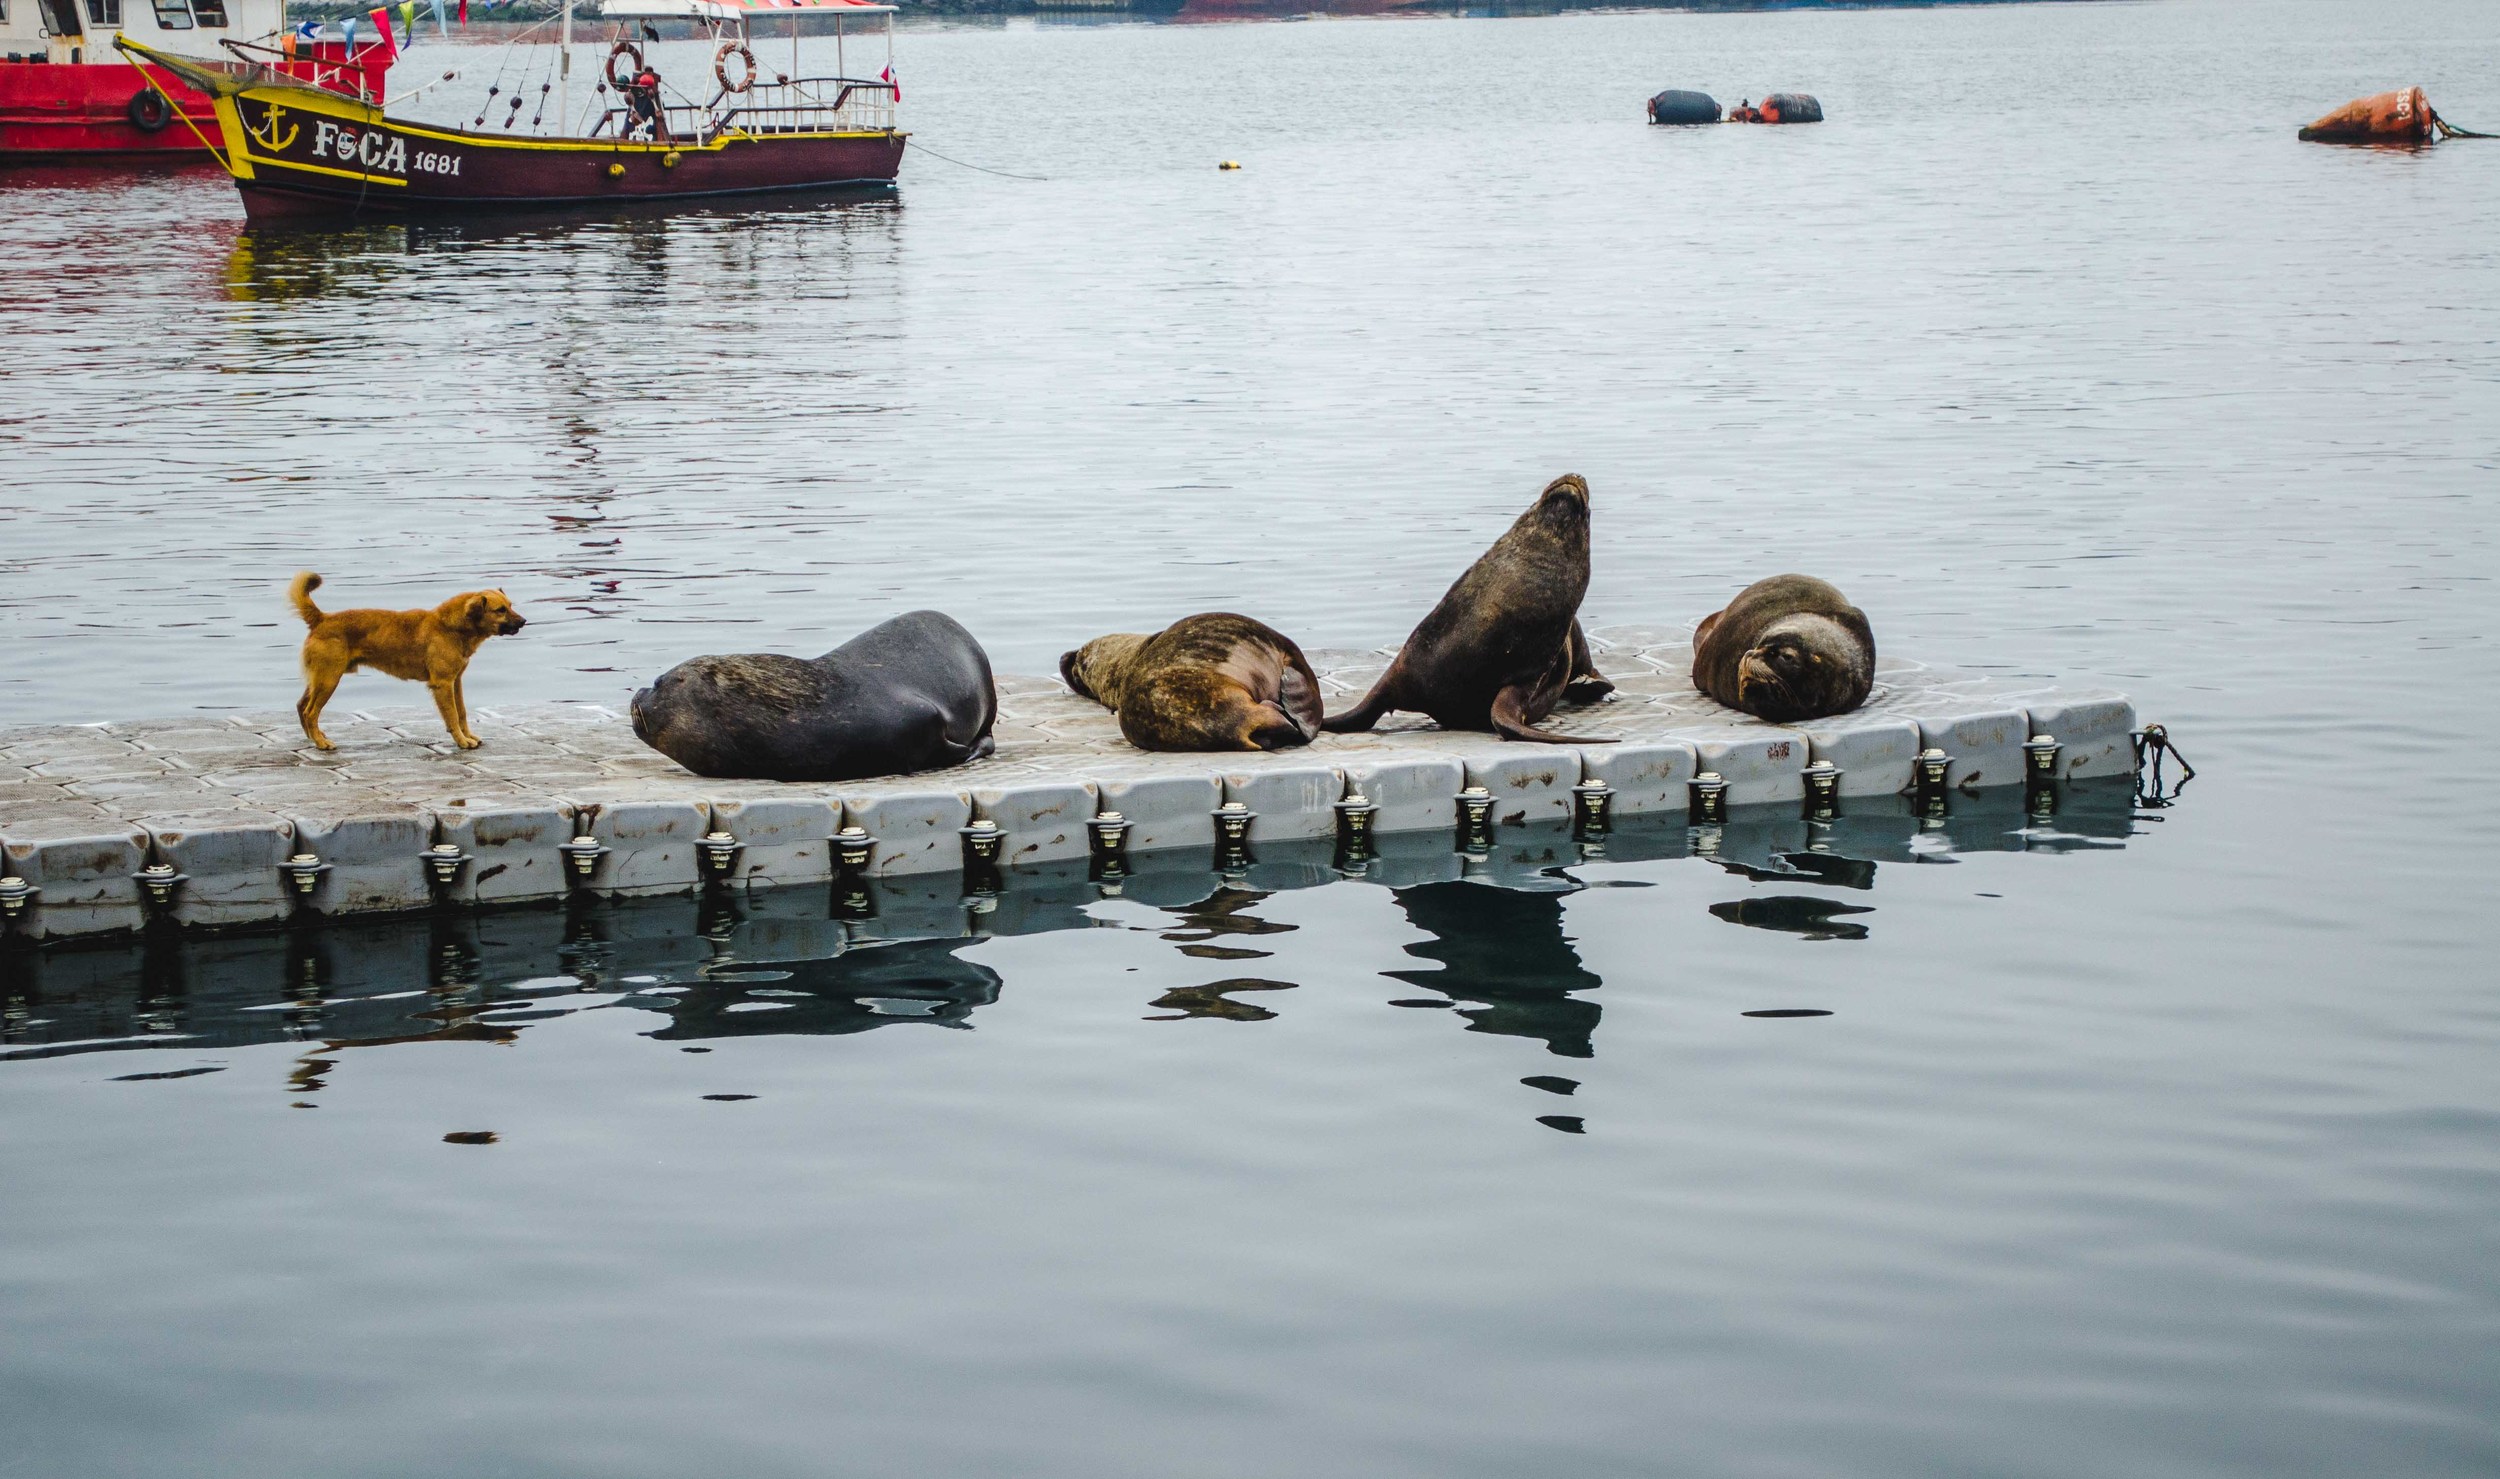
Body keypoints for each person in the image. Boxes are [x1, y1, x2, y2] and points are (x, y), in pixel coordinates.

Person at [626, 64, 671, 142]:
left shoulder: (653, 96)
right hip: (639, 114)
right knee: (636, 123)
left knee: (652, 127)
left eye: (650, 73)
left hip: (651, 119)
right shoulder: (635, 93)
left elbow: (659, 116)